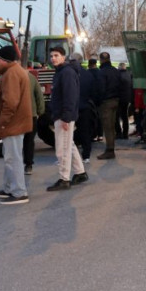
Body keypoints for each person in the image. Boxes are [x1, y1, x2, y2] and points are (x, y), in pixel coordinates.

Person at [0, 45, 32, 205]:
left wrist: (2, 122)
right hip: (15, 123)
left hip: (13, 124)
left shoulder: (11, 73)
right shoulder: (13, 71)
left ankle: (19, 192)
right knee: (10, 157)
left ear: (3, 59)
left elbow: (11, 102)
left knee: (13, 158)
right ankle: (8, 188)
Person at [46, 46, 86, 191]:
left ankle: (64, 179)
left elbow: (71, 97)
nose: (53, 58)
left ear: (63, 57)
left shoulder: (66, 73)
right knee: (69, 145)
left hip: (63, 117)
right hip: (61, 115)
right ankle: (80, 172)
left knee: (62, 148)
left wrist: (66, 118)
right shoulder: (61, 72)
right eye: (51, 56)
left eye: (56, 55)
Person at [73, 52, 100, 164]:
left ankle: (72, 156)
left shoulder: (69, 74)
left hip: (72, 107)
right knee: (85, 131)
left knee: (69, 133)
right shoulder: (88, 75)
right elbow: (94, 92)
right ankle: (86, 155)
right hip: (85, 107)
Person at [96, 52, 121, 159]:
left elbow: (101, 89)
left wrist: (98, 101)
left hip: (106, 102)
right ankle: (111, 148)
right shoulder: (115, 71)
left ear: (101, 60)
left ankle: (110, 150)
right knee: (112, 126)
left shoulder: (102, 72)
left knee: (107, 127)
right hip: (116, 100)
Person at [23, 71, 44, 175]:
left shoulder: (7, 76)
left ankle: (16, 165)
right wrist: (40, 111)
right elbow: (39, 95)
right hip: (31, 114)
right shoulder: (31, 77)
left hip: (16, 116)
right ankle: (28, 165)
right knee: (29, 140)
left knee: (16, 142)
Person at [116, 63, 133, 140]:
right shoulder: (129, 74)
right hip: (127, 98)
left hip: (118, 98)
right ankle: (125, 134)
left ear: (119, 68)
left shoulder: (117, 75)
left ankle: (119, 133)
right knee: (125, 116)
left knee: (116, 116)